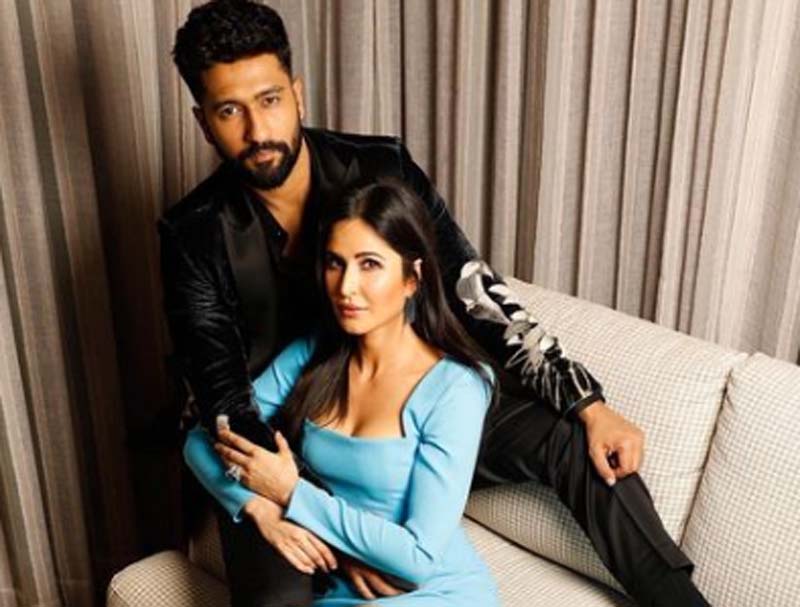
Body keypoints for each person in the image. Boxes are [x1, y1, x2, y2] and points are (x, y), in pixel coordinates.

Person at [160, 1, 709, 605]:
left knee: (576, 443)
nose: (258, 130)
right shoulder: (192, 233)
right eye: (229, 111)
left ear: (298, 94)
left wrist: (584, 400)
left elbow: (474, 289)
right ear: (203, 121)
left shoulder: (379, 166)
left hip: (409, 406)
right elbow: (223, 399)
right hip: (290, 437)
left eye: (269, 100)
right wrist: (299, 508)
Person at [185, 179, 500, 606]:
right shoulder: (313, 354)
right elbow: (202, 438)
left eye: (369, 264)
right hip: (339, 589)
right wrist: (260, 508)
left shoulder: (456, 388)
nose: (346, 287)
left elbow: (418, 558)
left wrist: (291, 492)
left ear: (413, 277)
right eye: (335, 263)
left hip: (433, 592)